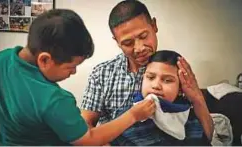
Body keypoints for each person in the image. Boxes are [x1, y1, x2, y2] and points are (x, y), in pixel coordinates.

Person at [0, 9, 156, 146]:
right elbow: (88, 139)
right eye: (71, 67)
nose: (73, 73)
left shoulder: (0, 59)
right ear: (45, 60)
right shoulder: (55, 99)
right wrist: (133, 115)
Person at [81, 0, 213, 145]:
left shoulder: (174, 69)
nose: (139, 48)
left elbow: (205, 134)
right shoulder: (102, 74)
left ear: (154, 26)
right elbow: (83, 128)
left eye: (143, 36)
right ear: (117, 41)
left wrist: (197, 97)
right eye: (128, 43)